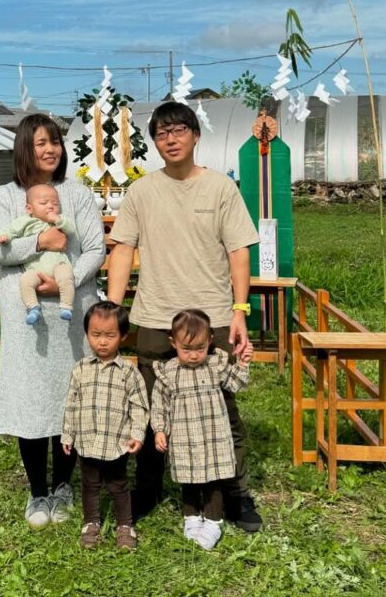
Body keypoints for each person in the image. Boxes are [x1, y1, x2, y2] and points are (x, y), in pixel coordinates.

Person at [106, 100, 263, 532]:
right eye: (160, 133)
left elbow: (238, 252)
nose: (170, 139)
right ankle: (150, 487)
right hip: (155, 317)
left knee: (222, 410)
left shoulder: (220, 189)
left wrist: (239, 310)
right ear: (154, 142)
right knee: (153, 407)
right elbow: (122, 250)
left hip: (211, 317)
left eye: (178, 130)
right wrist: (116, 312)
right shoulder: (141, 191)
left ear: (195, 135)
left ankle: (235, 493)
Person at [0, 114, 106, 530]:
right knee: (31, 395)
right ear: (25, 147)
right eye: (40, 142)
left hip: (71, 308)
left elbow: (95, 248)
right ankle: (37, 490)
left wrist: (68, 277)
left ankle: (63, 486)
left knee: (68, 394)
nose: (50, 149)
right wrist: (40, 240)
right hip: (27, 312)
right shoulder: (6, 195)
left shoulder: (78, 194)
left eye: (55, 141)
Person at [152, 308, 254, 550]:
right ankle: (191, 517)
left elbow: (236, 384)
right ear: (173, 343)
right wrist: (159, 430)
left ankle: (212, 520)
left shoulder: (215, 365)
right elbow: (159, 405)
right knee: (188, 479)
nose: (194, 355)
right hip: (184, 437)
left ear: (209, 341)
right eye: (186, 349)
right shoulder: (168, 373)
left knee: (212, 480)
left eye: (200, 348)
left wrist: (242, 363)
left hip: (213, 436)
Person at [61, 301, 149, 551]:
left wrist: (137, 434)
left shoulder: (129, 372)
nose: (102, 342)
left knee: (118, 485)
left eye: (110, 335)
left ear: (122, 336)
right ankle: (91, 523)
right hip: (87, 441)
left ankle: (125, 525)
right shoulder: (80, 370)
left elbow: (140, 407)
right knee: (89, 485)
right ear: (87, 334)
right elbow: (71, 404)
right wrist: (67, 435)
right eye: (95, 335)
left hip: (116, 442)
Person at [0, 183, 77, 324]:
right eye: (44, 203)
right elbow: (11, 230)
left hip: (59, 264)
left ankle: (66, 306)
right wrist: (5, 237)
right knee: (25, 281)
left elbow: (71, 230)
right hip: (35, 269)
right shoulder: (25, 222)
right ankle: (33, 307)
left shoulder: (59, 221)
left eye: (55, 203)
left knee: (66, 277)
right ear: (29, 209)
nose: (50, 206)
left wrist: (58, 220)